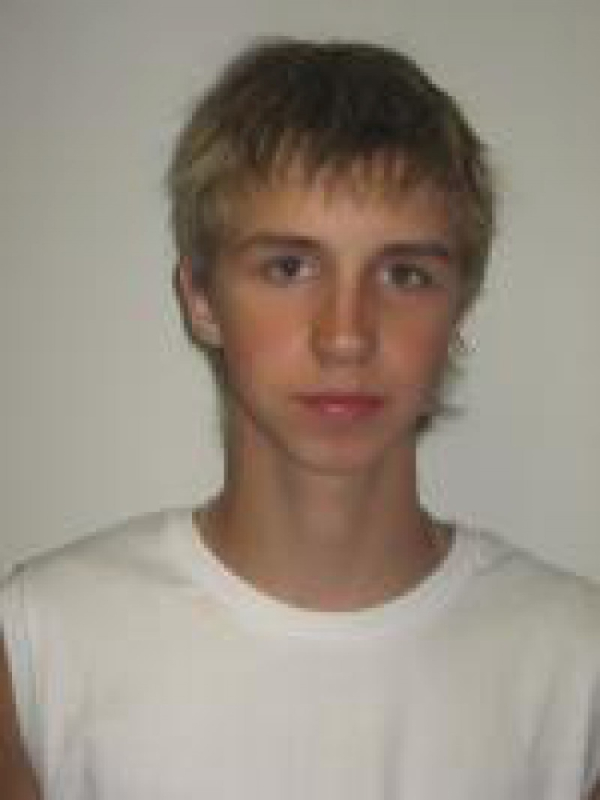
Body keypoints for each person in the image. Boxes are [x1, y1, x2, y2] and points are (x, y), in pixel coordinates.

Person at [1, 37, 599, 800]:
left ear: (458, 310)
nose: (346, 336)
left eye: (404, 274)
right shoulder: (43, 647)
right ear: (201, 299)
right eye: (288, 267)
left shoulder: (575, 668)